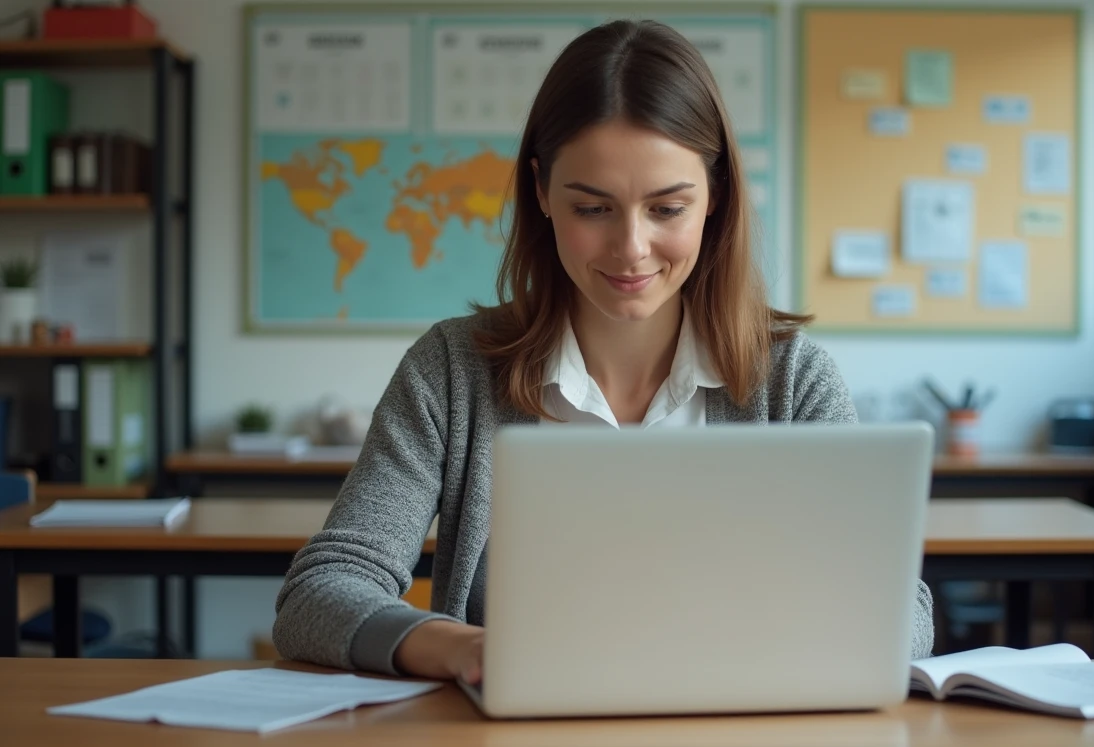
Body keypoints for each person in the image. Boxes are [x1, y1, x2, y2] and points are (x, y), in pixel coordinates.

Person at [273, 19, 935, 683]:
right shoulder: (450, 370)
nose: (631, 249)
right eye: (593, 209)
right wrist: (464, 649)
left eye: (667, 209)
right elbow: (320, 593)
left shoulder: (791, 377)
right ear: (541, 192)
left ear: (716, 197)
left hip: (737, 744)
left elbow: (903, 611)